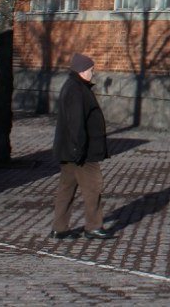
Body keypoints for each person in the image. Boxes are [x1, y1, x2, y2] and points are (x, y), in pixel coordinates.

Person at [51, 53, 114, 240]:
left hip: (72, 150)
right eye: (90, 70)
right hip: (81, 152)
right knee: (93, 186)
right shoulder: (76, 90)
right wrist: (78, 150)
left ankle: (59, 228)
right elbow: (76, 123)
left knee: (66, 188)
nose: (92, 73)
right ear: (82, 70)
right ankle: (93, 226)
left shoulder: (75, 87)